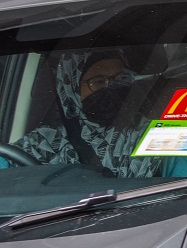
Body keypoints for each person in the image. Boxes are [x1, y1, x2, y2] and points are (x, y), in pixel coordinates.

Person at [0, 50, 159, 176]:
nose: (111, 88)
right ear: (72, 89)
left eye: (121, 78)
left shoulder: (151, 134)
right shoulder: (45, 143)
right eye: (98, 82)